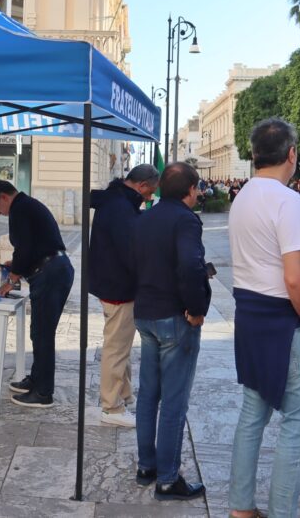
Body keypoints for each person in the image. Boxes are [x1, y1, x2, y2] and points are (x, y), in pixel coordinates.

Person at [228, 118, 300, 518]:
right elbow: (295, 278)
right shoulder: (288, 200)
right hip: (285, 323)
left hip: (250, 318)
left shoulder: (243, 196)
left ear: (253, 155)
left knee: (252, 416)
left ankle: (239, 506)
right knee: (298, 424)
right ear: (292, 154)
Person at [131, 162, 210, 501]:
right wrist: (198, 308)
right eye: (197, 188)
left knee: (149, 395)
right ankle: (167, 478)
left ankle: (147, 466)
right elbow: (189, 265)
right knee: (174, 402)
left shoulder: (145, 216)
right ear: (190, 190)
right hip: (174, 317)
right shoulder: (185, 220)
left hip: (146, 313)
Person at [0, 180, 74, 407]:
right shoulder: (26, 205)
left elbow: (24, 247)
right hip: (55, 268)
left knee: (43, 334)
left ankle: (43, 393)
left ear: (4, 197)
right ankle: (36, 380)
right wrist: (16, 263)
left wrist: (11, 280)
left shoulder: (19, 209)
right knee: (39, 332)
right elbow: (30, 247)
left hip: (50, 273)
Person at [89, 164, 160, 427]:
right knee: (116, 347)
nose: (150, 198)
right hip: (117, 285)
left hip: (112, 282)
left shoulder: (116, 199)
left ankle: (124, 394)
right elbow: (130, 251)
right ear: (141, 186)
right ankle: (111, 407)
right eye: (149, 192)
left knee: (122, 344)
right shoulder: (121, 207)